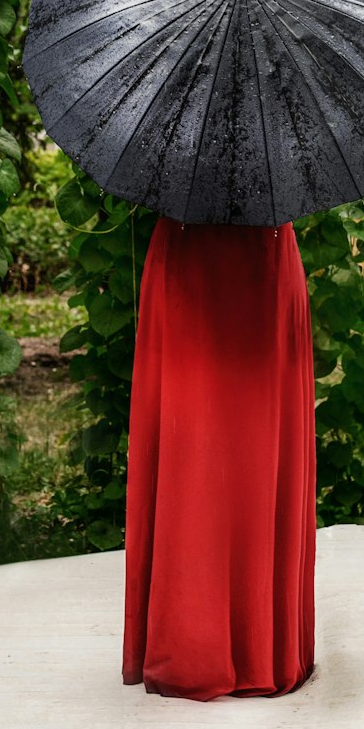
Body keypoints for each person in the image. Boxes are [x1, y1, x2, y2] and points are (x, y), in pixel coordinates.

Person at [121, 213, 316, 700]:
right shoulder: (281, 142)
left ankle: (195, 643)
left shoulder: (169, 136)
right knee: (210, 447)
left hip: (200, 249)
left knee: (198, 449)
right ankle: (255, 646)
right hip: (256, 250)